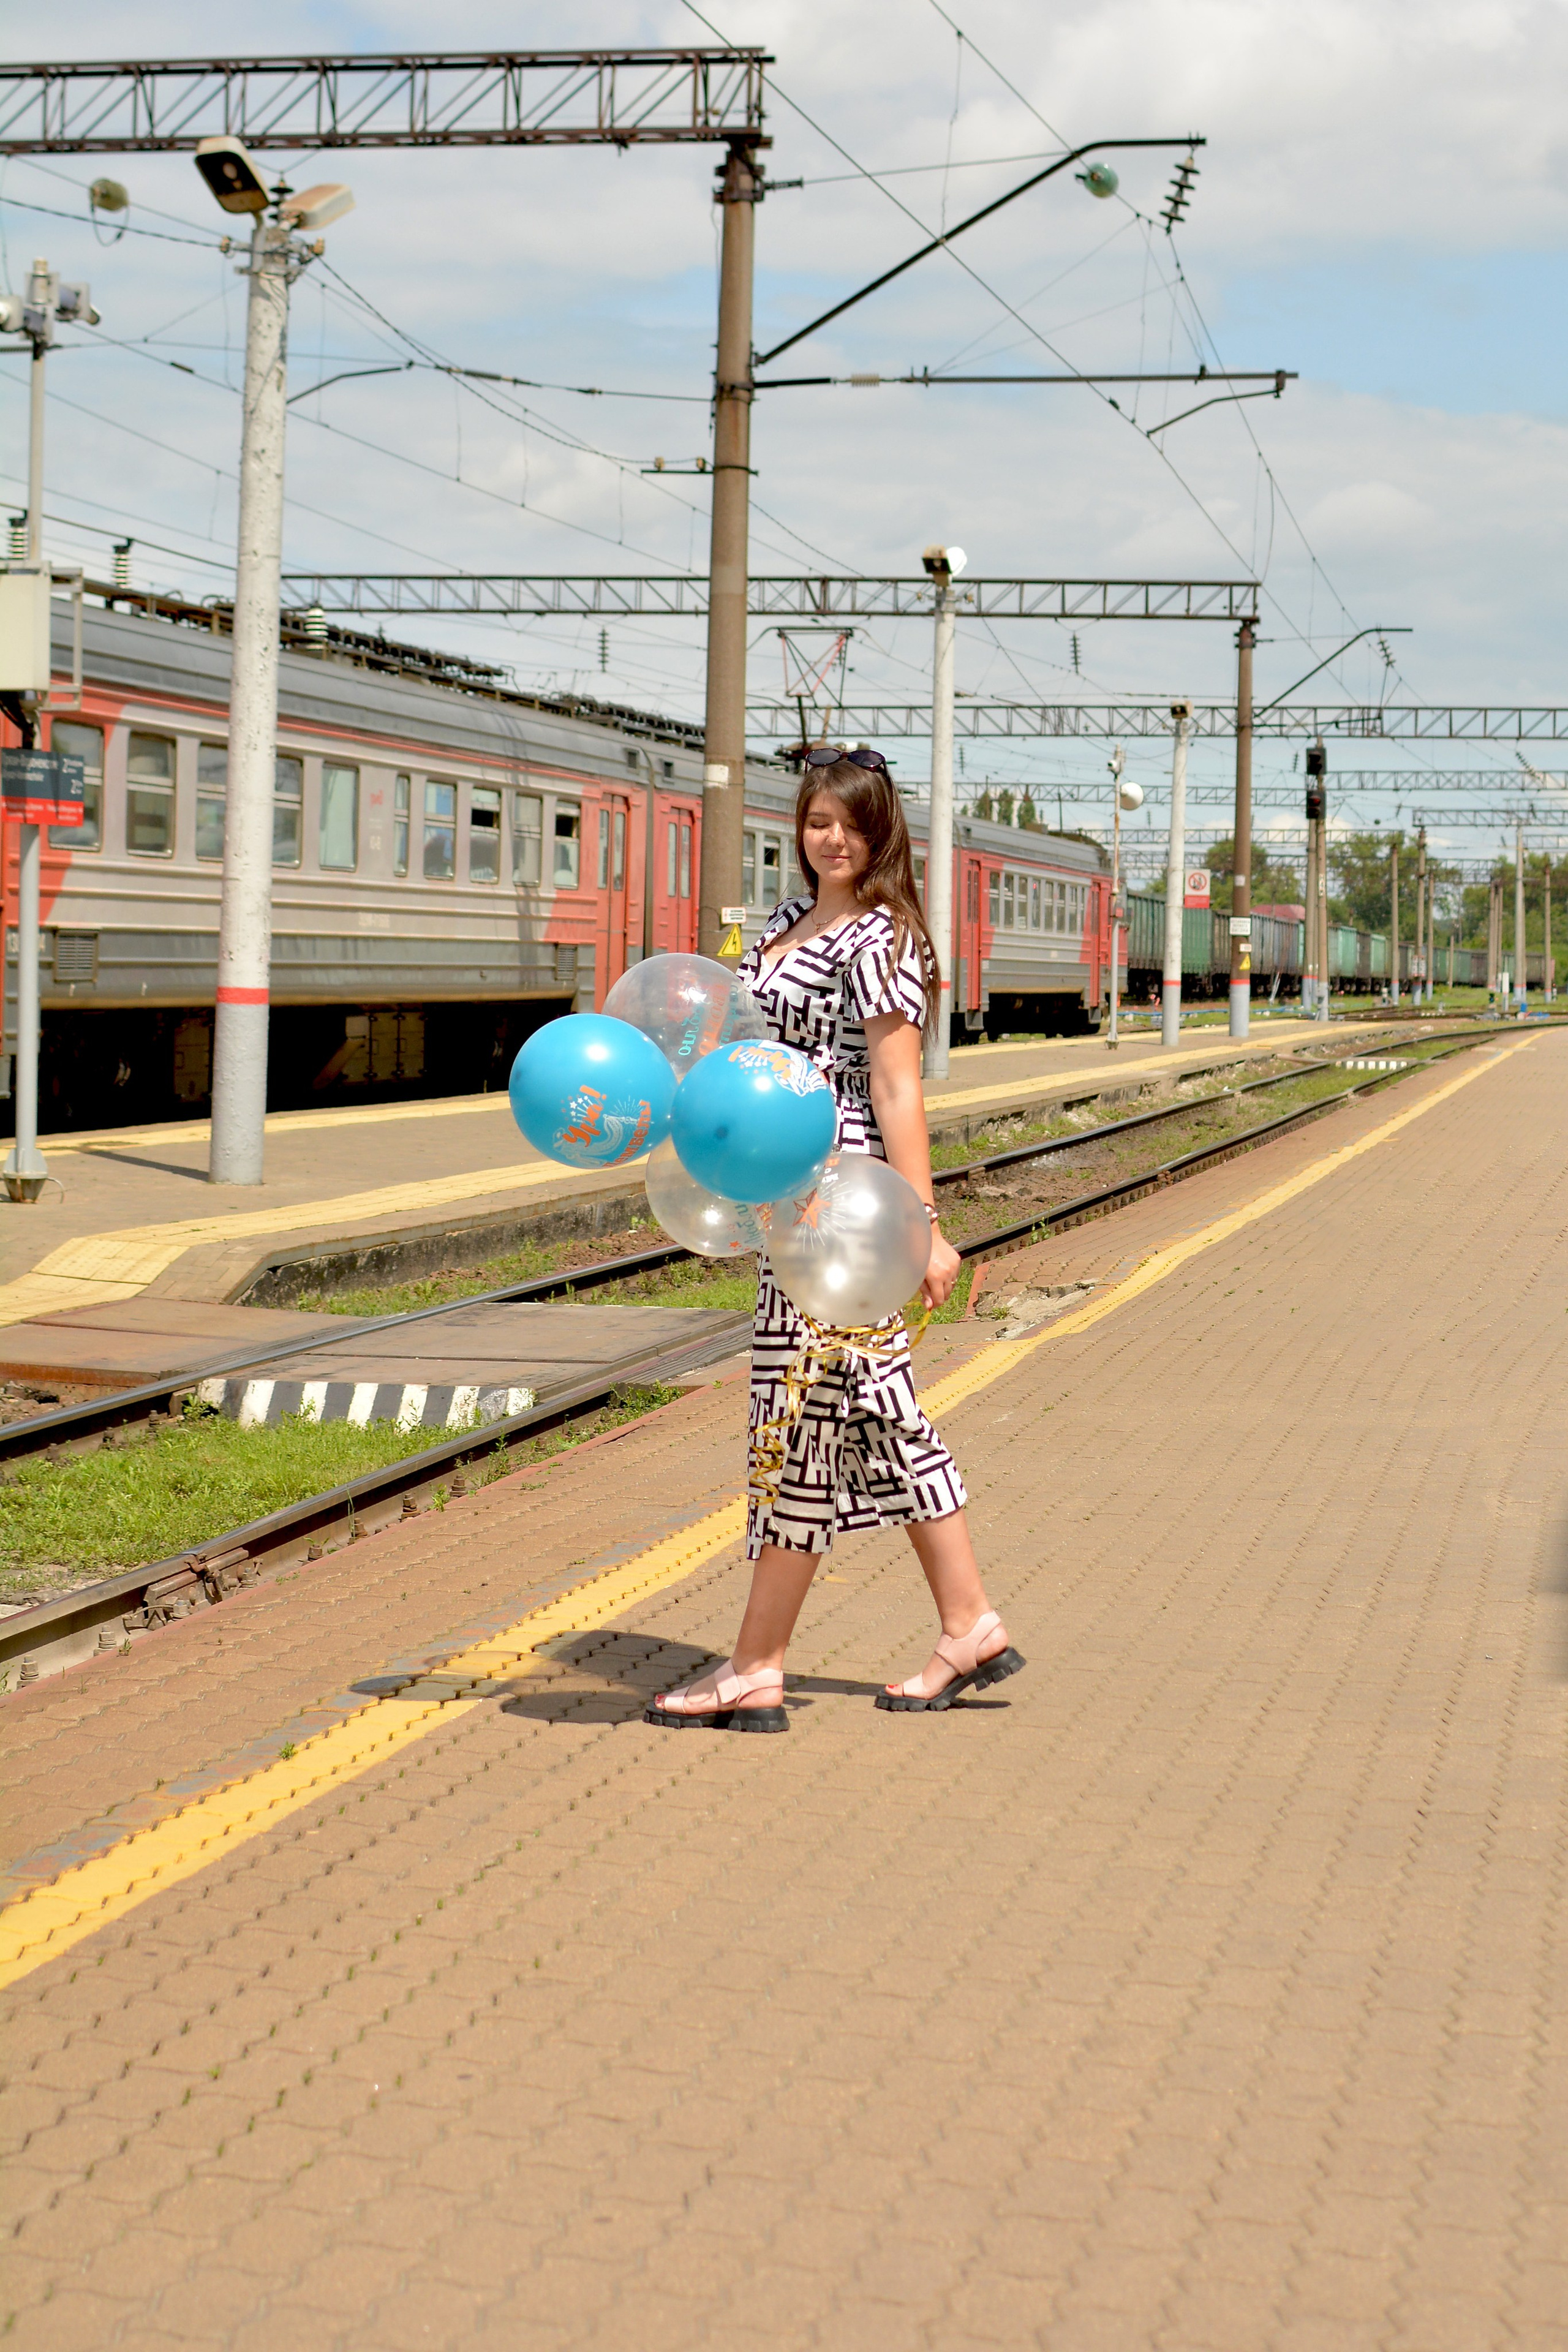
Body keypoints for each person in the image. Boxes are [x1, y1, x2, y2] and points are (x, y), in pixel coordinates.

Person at [647, 747, 1023, 1732]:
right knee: (834, 1424)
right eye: (820, 821)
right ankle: (950, 1626)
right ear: (800, 825)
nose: (834, 840)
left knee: (824, 1420)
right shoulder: (777, 927)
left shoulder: (882, 939)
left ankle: (771, 1662)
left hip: (846, 1207)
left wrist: (923, 1226)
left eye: (853, 825)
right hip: (786, 1203)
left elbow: (898, 1088)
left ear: (879, 832)